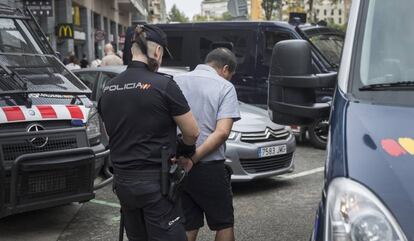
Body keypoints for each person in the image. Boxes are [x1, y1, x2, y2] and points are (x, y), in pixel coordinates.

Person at [98, 24, 199, 241]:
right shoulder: (163, 85)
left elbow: (109, 130)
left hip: (123, 182)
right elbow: (192, 131)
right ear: (157, 51)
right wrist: (186, 150)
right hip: (156, 184)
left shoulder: (108, 88)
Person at [175, 48, 241, 241]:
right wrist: (193, 159)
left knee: (187, 224)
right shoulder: (225, 87)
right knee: (223, 223)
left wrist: (184, 159)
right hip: (209, 167)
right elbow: (222, 132)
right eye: (230, 76)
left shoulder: (176, 82)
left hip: (178, 165)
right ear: (225, 69)